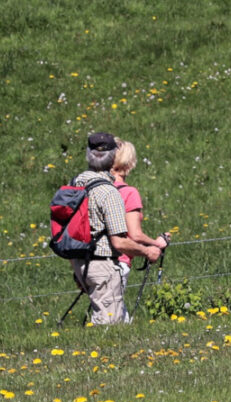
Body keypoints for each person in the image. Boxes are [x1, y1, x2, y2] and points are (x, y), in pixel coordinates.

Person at [70, 132, 161, 325]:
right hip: (105, 262)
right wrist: (149, 250)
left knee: (118, 320)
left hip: (80, 260)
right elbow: (121, 240)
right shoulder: (110, 191)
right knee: (109, 327)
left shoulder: (77, 183)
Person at [110, 138, 170, 318]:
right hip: (118, 261)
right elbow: (134, 234)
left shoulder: (96, 189)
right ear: (128, 164)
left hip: (91, 263)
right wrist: (157, 243)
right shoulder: (128, 193)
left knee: (111, 314)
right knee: (114, 318)